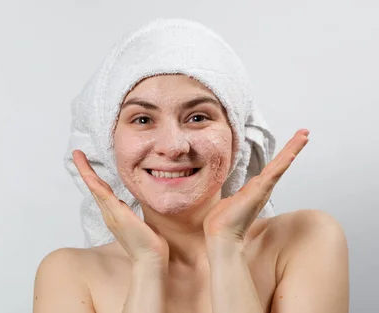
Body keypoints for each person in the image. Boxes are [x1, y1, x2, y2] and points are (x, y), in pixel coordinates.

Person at [33, 19, 349, 313]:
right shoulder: (69, 274)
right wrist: (148, 265)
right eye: (142, 119)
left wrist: (227, 247)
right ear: (107, 140)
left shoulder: (305, 239)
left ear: (236, 134)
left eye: (198, 117)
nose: (172, 147)